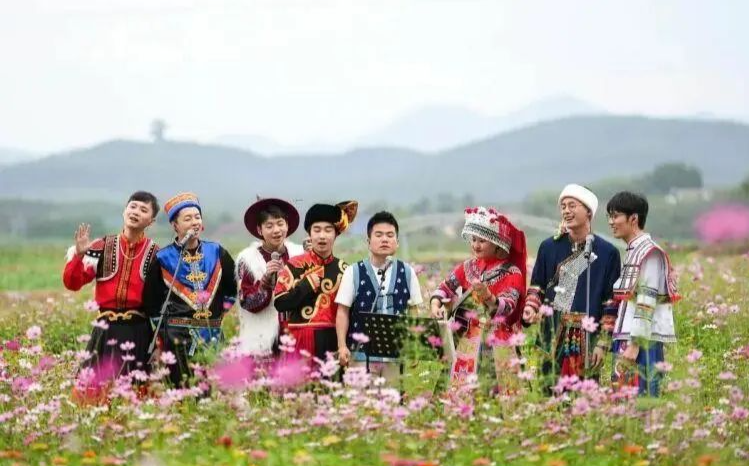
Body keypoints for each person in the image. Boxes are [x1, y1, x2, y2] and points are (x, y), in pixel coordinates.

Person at [522, 184, 621, 393]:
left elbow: (611, 303)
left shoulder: (608, 253)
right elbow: (537, 287)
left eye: (572, 205)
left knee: (584, 397)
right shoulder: (549, 247)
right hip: (552, 334)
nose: (566, 211)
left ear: (588, 212)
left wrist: (603, 343)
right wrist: (531, 307)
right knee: (548, 392)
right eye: (563, 206)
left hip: (587, 338)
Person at [142, 192, 237, 387]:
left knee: (211, 390)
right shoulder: (162, 259)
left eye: (197, 217)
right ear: (175, 225)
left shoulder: (217, 252)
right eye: (187, 218)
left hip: (211, 335)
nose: (194, 222)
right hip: (176, 339)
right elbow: (151, 303)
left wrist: (220, 312)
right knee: (181, 390)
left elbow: (233, 288)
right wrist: (164, 334)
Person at [63, 191, 159, 378]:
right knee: (95, 388)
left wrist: (160, 341)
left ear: (151, 221)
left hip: (139, 332)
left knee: (135, 389)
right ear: (124, 211)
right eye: (132, 206)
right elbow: (72, 283)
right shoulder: (101, 246)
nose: (136, 212)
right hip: (105, 331)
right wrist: (79, 256)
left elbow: (162, 302)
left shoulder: (156, 254)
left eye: (143, 210)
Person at [429, 207, 527, 389]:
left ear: (497, 243)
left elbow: (508, 306)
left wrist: (489, 297)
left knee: (495, 390)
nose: (476, 245)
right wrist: (435, 304)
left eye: (482, 241)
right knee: (458, 388)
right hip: (465, 338)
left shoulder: (512, 272)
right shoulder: (468, 266)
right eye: (474, 239)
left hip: (497, 338)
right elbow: (445, 287)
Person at [335, 211, 424, 382]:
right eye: (379, 235)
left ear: (397, 242)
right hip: (360, 355)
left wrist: (414, 347)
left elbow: (413, 313)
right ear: (368, 242)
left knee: (393, 397)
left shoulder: (407, 272)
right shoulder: (353, 272)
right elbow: (342, 311)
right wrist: (342, 346)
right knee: (361, 398)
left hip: (396, 355)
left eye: (390, 235)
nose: (385, 239)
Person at [607, 191, 678, 396]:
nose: (611, 222)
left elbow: (646, 300)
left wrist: (634, 345)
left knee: (641, 400)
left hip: (640, 344)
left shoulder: (649, 252)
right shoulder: (634, 251)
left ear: (633, 219)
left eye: (616, 216)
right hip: (628, 340)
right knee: (623, 403)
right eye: (610, 216)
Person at [274, 201, 357, 362]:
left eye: (328, 230)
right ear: (310, 234)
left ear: (336, 234)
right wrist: (306, 285)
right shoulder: (295, 265)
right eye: (317, 230)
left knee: (332, 379)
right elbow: (280, 303)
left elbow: (350, 312)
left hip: (334, 340)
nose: (322, 236)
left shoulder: (345, 270)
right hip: (300, 339)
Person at [235, 197, 304, 356]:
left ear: (287, 225)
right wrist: (266, 281)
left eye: (280, 223)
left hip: (296, 333)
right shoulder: (248, 260)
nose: (276, 230)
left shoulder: (300, 255)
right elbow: (247, 302)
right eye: (269, 226)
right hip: (262, 338)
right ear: (259, 230)